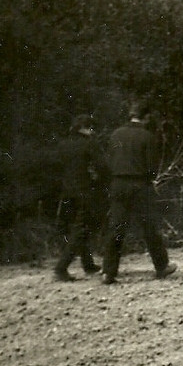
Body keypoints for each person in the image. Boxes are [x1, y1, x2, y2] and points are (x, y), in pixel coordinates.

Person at [101, 102, 177, 285]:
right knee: (150, 227)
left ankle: (108, 271)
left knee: (116, 228)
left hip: (118, 183)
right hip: (139, 184)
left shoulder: (115, 134)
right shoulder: (147, 137)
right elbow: (152, 167)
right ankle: (161, 266)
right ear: (147, 117)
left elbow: (108, 161)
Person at [54, 114, 107, 282]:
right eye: (91, 128)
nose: (93, 131)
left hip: (67, 192)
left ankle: (88, 263)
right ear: (86, 128)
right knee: (82, 228)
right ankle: (61, 267)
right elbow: (102, 166)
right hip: (84, 191)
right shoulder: (89, 144)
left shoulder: (62, 145)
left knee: (78, 227)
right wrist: (99, 180)